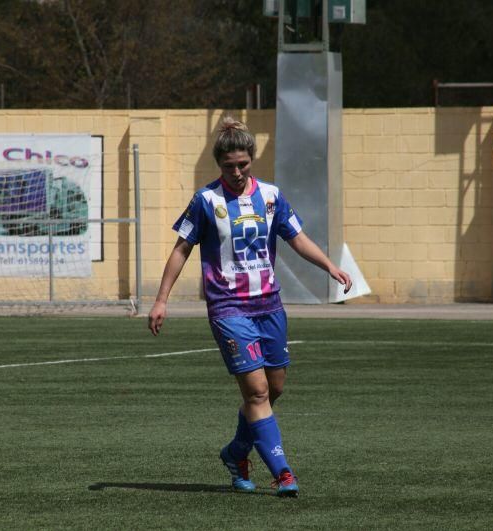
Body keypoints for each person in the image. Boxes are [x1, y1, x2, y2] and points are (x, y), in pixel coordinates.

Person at [147, 117, 352, 498]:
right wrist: (161, 300)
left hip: (269, 307)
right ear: (218, 164)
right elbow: (181, 249)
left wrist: (330, 266)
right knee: (256, 392)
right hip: (229, 309)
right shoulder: (206, 201)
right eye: (229, 166)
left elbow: (297, 238)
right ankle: (284, 473)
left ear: (252, 159)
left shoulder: (272, 196)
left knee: (273, 389)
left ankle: (236, 453)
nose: (237, 172)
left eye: (243, 164)